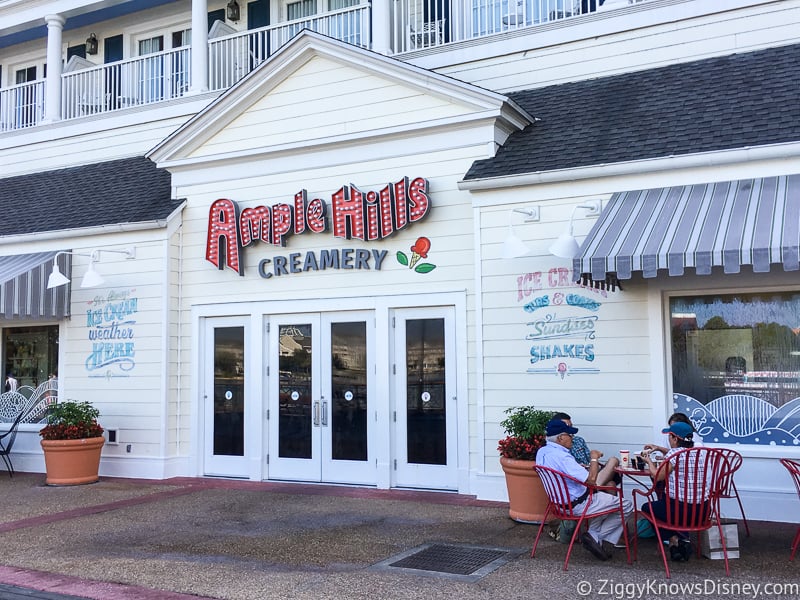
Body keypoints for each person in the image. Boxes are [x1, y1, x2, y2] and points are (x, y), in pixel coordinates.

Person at [537, 418, 633, 561]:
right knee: (625, 505)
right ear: (560, 438)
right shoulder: (562, 457)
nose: (572, 438)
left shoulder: (542, 452)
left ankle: (593, 535)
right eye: (570, 435)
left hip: (558, 505)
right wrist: (593, 458)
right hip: (578, 505)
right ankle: (596, 536)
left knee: (606, 500)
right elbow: (591, 480)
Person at [640, 421, 707, 562]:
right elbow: (678, 454)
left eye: (670, 436)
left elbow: (657, 476)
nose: (669, 439)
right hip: (702, 513)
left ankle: (673, 539)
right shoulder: (700, 452)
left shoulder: (674, 455)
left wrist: (648, 461)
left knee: (647, 508)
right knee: (663, 504)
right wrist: (658, 448)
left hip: (680, 513)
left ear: (675, 439)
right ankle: (679, 541)